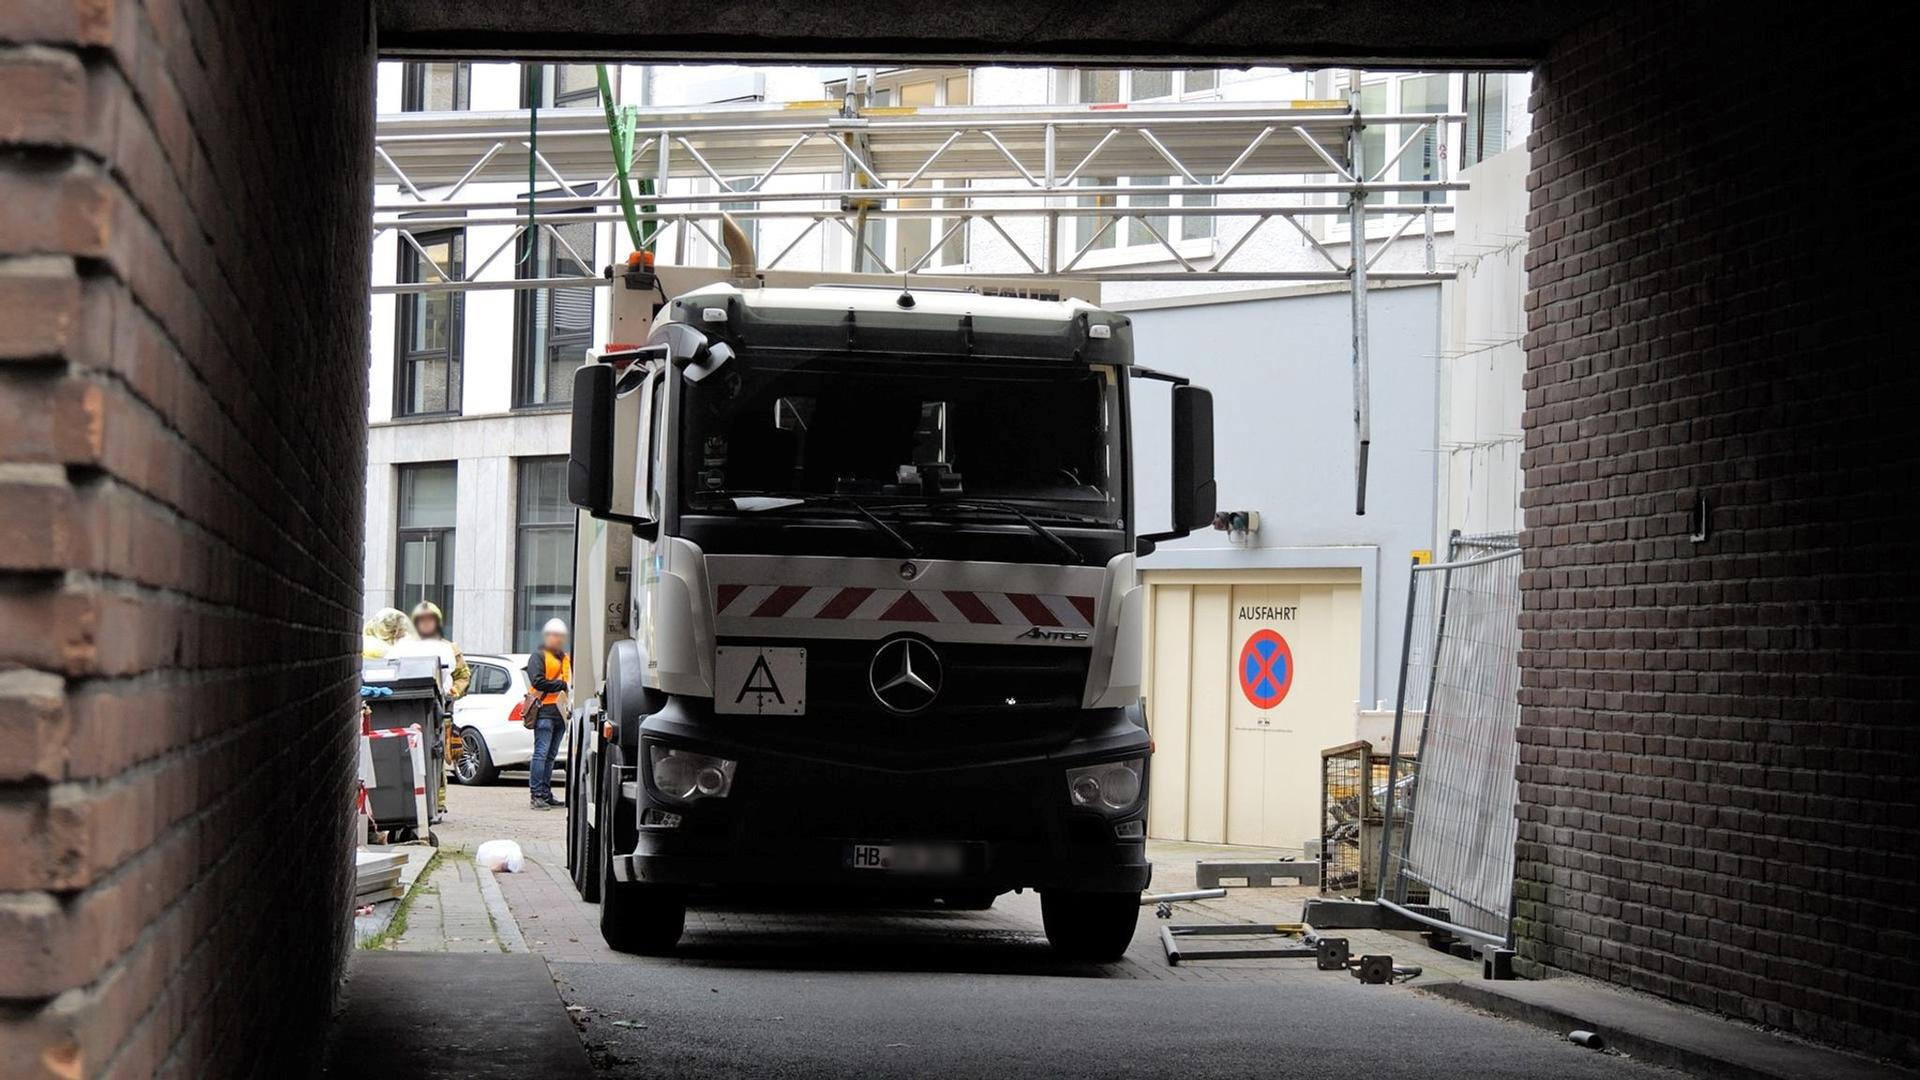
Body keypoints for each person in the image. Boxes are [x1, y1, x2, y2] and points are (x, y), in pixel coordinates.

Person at [526, 618, 572, 811]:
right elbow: (537, 682)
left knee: (550, 755)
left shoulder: (565, 658)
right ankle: (536, 795)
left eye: (560, 636)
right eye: (554, 635)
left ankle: (545, 793)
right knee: (541, 754)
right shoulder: (538, 656)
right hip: (544, 711)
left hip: (561, 713)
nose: (558, 639)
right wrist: (561, 685)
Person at [409, 601, 471, 698]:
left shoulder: (450, 648)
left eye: (430, 619)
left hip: (442, 705)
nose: (426, 623)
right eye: (421, 620)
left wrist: (456, 689)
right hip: (411, 702)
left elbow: (462, 676)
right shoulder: (406, 647)